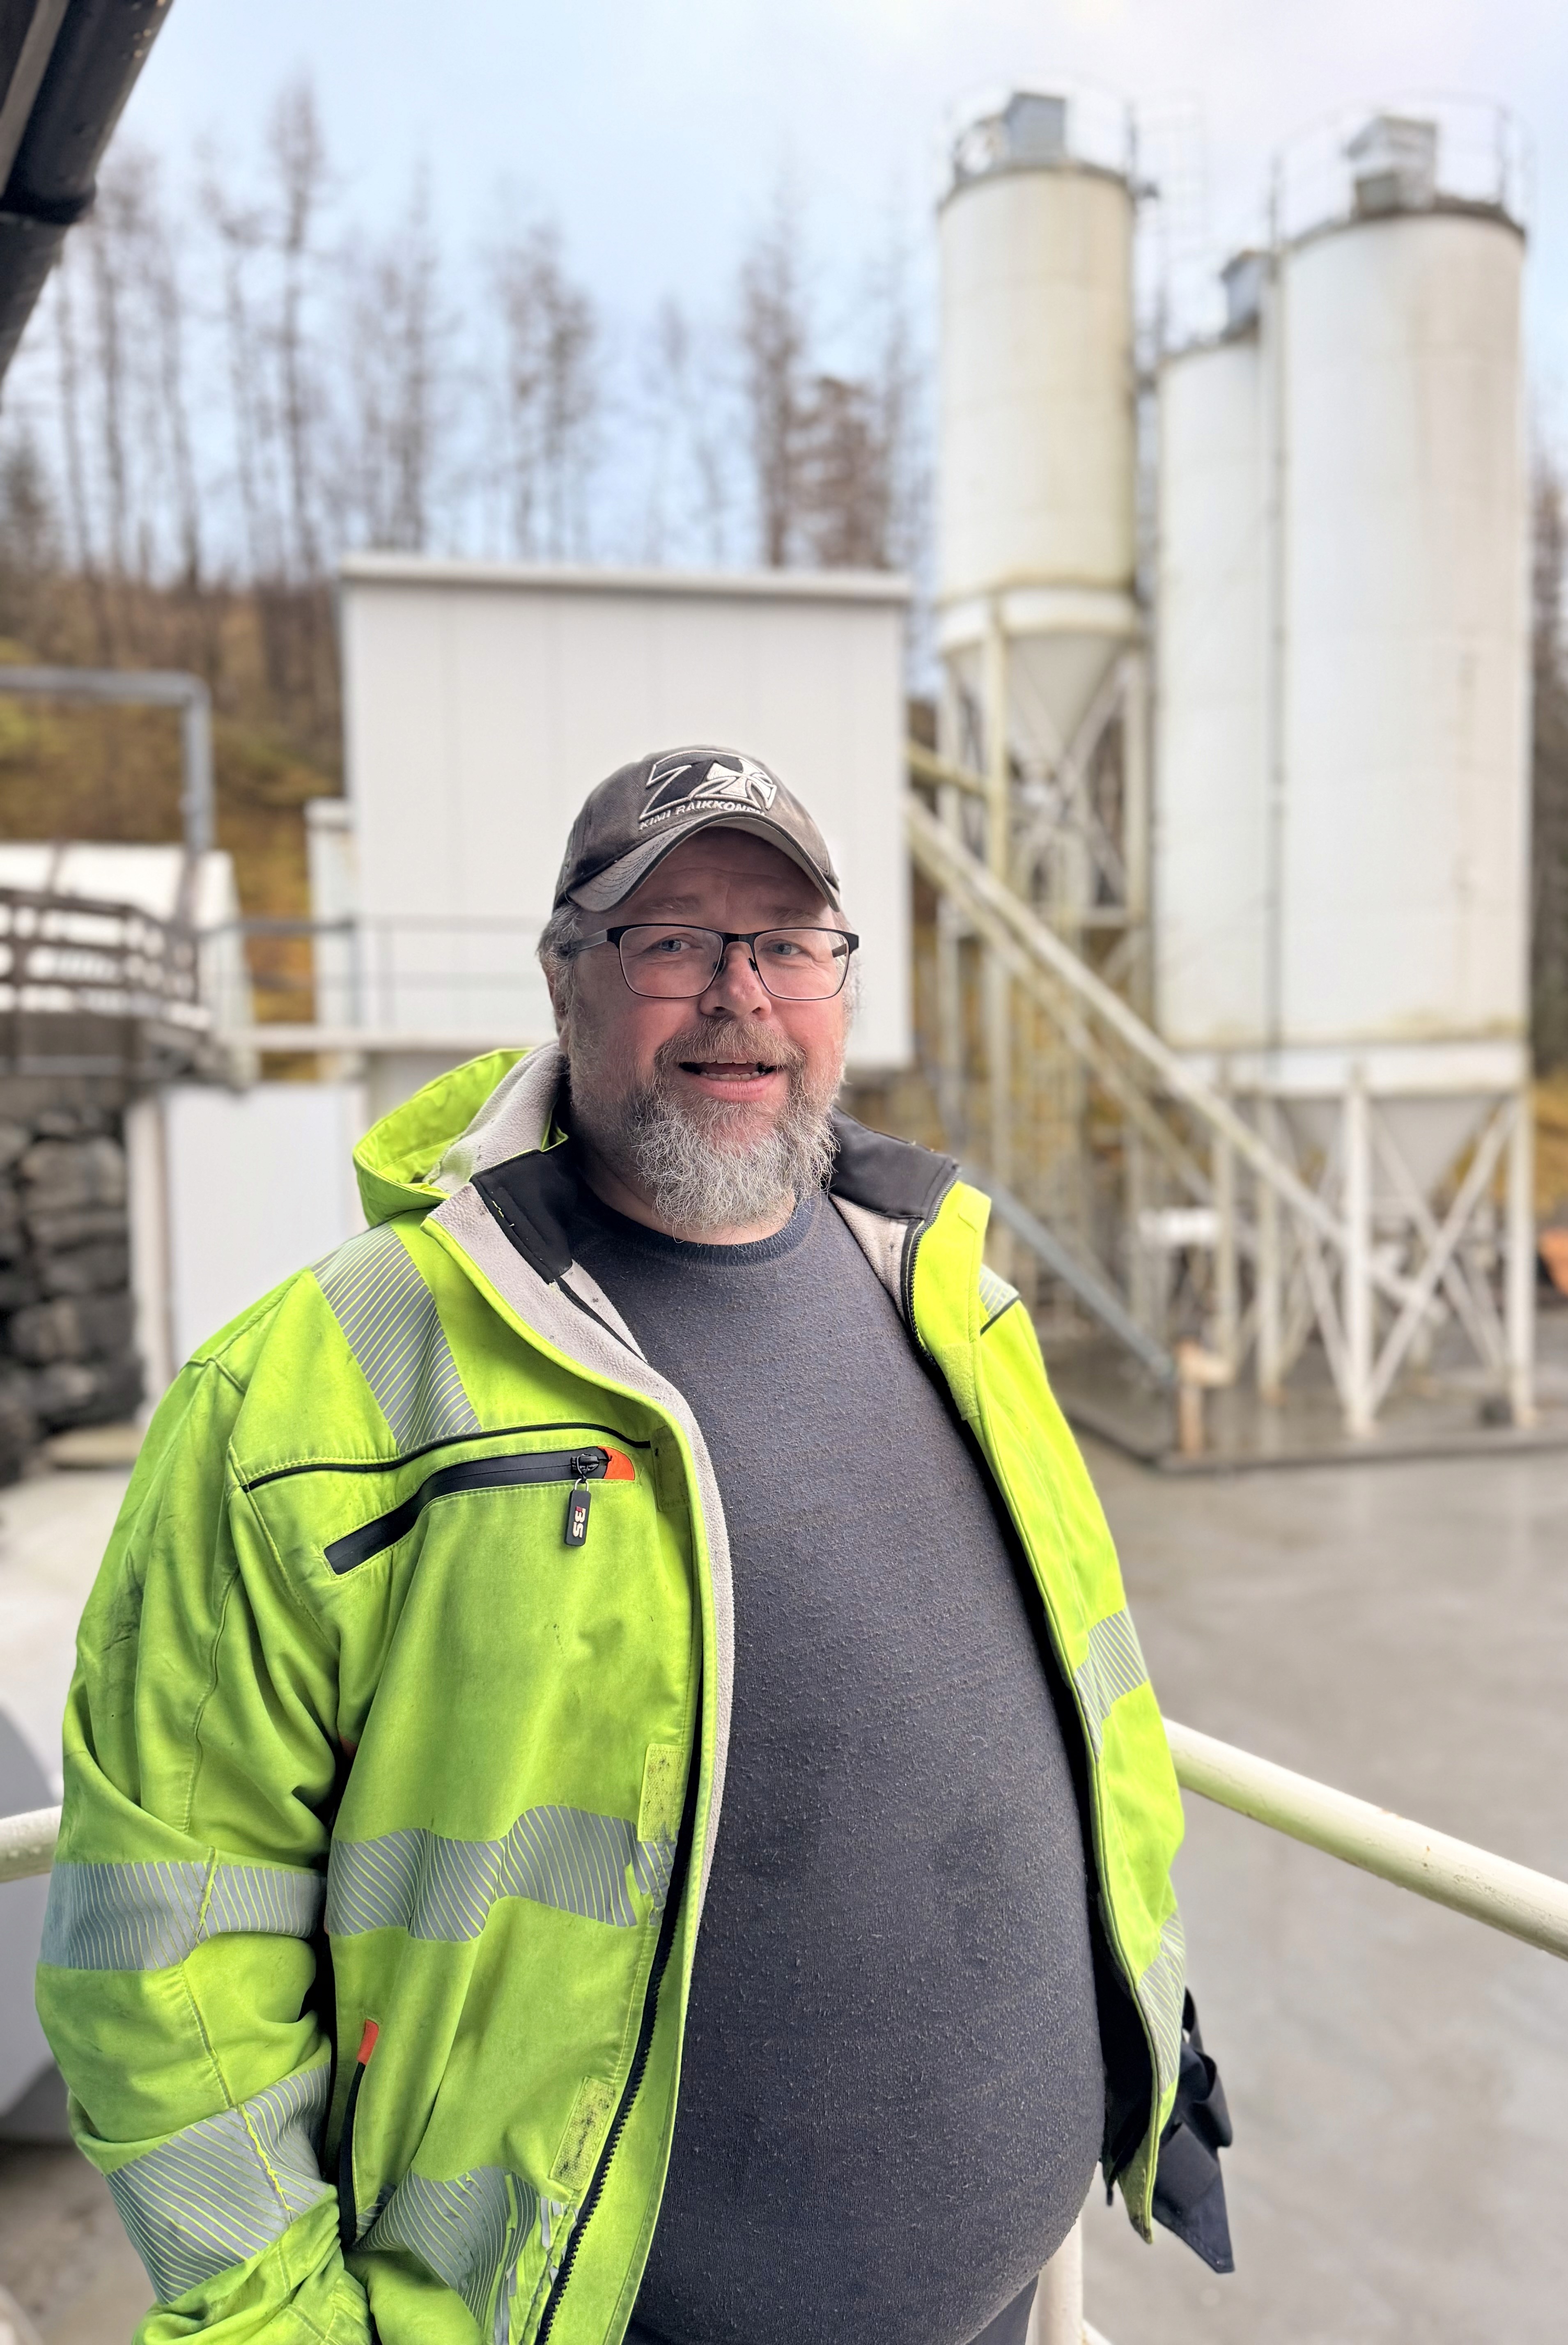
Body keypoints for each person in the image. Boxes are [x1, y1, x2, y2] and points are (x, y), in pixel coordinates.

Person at [36, 746, 1228, 2345]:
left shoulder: (957, 1301)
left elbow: (1106, 1730)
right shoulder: (316, 1387)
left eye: (788, 944)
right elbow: (163, 1936)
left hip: (1014, 2295)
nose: (743, 996)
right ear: (563, 979)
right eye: (673, 941)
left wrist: (1150, 2032)